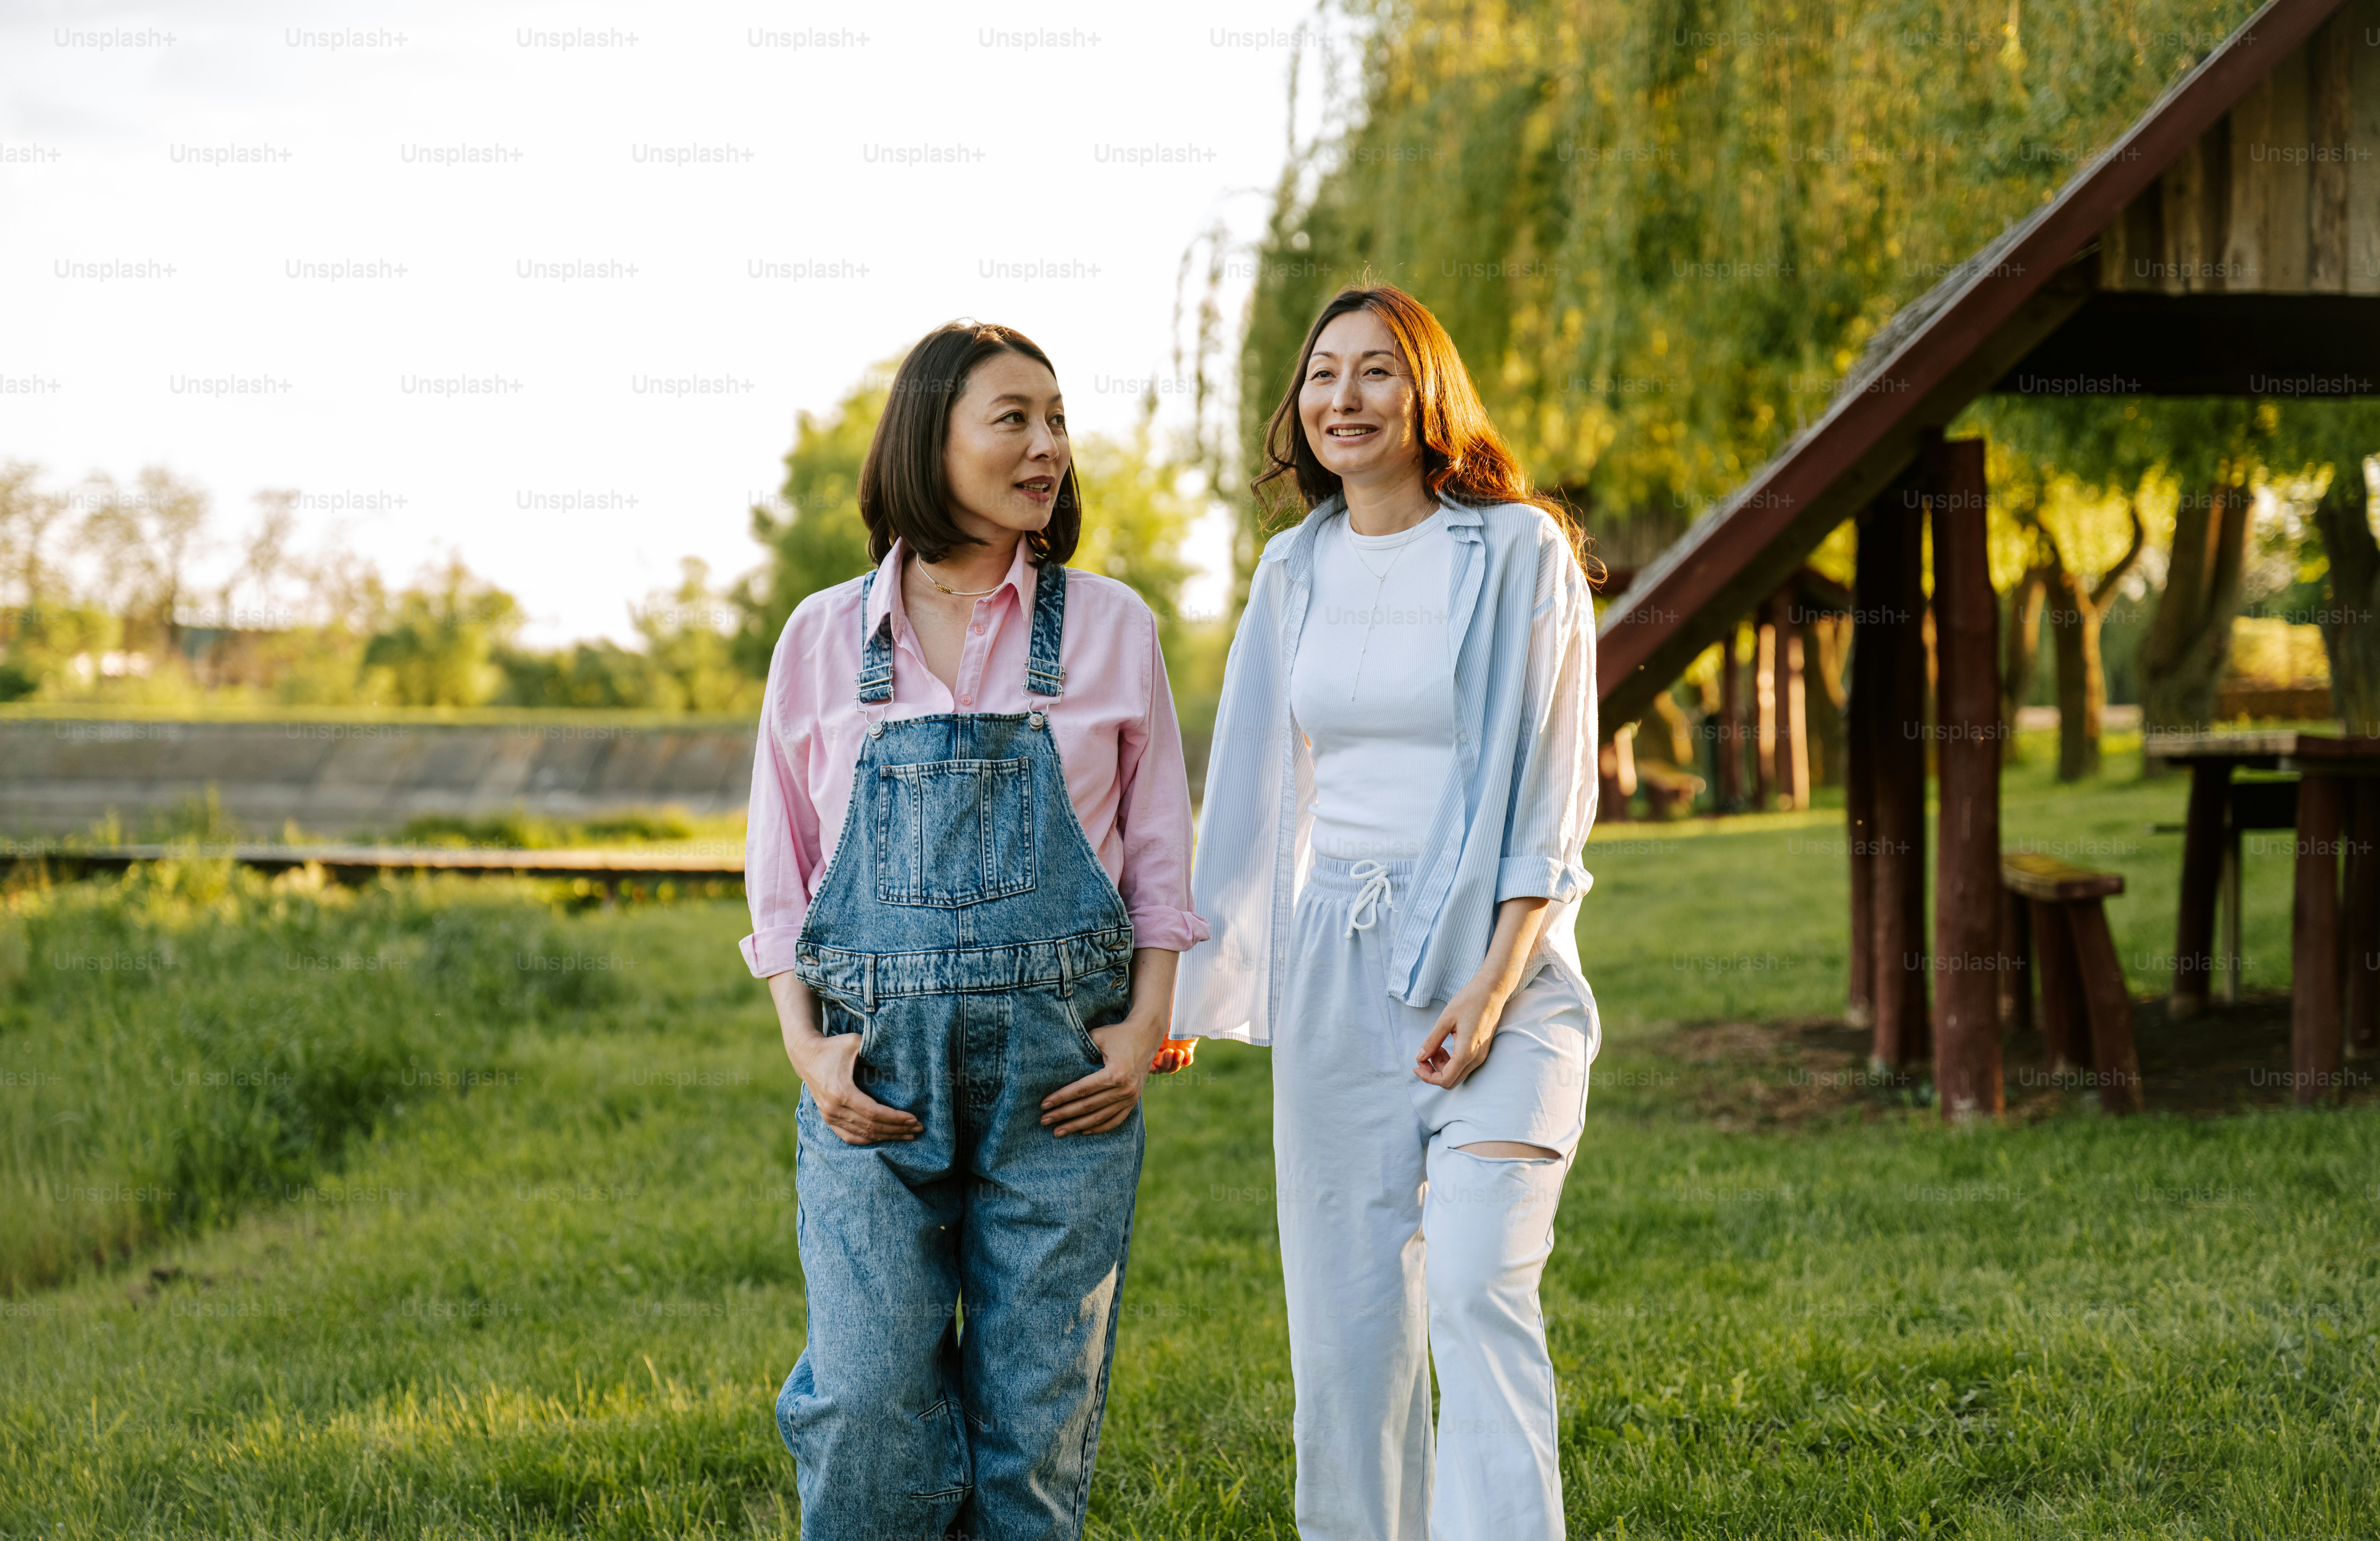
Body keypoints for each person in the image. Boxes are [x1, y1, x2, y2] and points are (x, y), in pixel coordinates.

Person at [740, 320, 1207, 1540]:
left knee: (1032, 1430)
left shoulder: (1112, 629)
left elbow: (1159, 850)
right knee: (864, 1401)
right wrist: (804, 1045)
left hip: (1062, 1088)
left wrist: (1150, 1020)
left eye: (1058, 418)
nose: (1048, 444)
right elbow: (779, 867)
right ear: (931, 436)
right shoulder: (821, 638)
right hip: (873, 1083)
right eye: (1015, 417)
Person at [1171, 284, 1600, 1541]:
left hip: (1502, 970)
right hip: (1334, 979)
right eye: (1321, 377)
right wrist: (1202, 986)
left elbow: (1552, 793)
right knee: (1349, 1334)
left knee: (1476, 1284)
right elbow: (1253, 783)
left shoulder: (1519, 551)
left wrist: (1495, 980)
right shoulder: (1292, 567)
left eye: (1374, 373)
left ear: (1430, 399)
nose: (1343, 398)